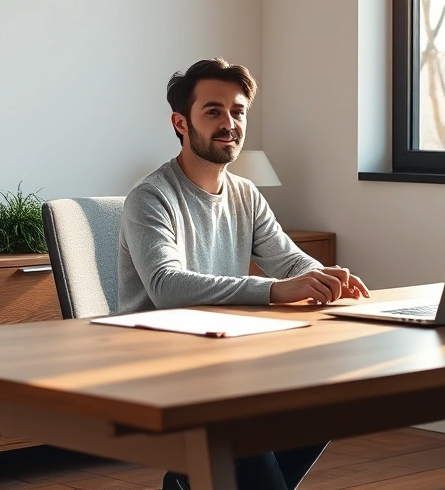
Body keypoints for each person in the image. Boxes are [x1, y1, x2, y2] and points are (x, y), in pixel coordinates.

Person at [118, 57, 370, 490]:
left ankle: (188, 482)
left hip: (227, 355)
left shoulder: (245, 194)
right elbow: (166, 286)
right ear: (181, 122)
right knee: (249, 431)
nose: (229, 123)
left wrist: (324, 276)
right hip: (163, 360)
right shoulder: (150, 197)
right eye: (212, 111)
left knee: (332, 398)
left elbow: (290, 262)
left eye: (238, 111)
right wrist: (274, 290)